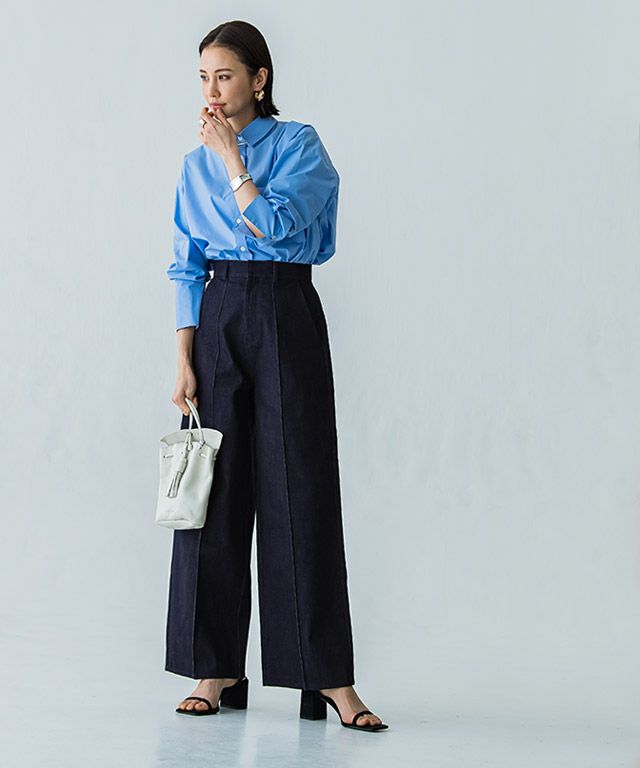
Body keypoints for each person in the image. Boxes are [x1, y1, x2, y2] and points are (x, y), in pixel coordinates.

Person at [164, 20, 388, 733]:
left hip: (285, 307)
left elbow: (281, 228)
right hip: (219, 313)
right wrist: (183, 356)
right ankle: (214, 667)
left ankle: (326, 677)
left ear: (259, 80)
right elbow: (186, 263)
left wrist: (233, 161)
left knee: (300, 487)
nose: (212, 90)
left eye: (225, 75)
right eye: (203, 77)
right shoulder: (192, 164)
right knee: (215, 491)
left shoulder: (298, 146)